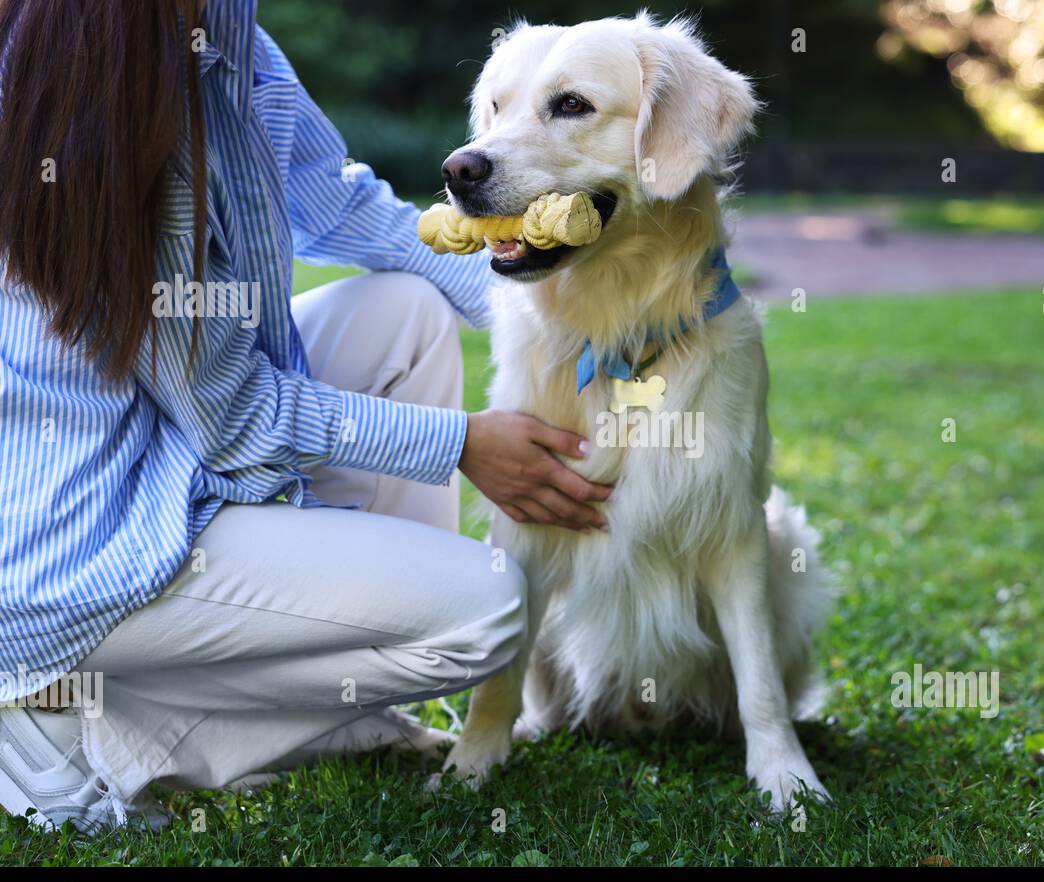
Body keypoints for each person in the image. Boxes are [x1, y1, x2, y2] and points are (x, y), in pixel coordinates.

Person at [0, 0, 609, 833]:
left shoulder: (223, 31)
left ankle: (356, 718)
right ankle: (78, 731)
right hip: (85, 537)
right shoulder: (107, 94)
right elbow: (233, 415)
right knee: (493, 610)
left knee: (406, 313)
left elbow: (338, 203)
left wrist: (558, 331)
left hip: (166, 441)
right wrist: (462, 443)